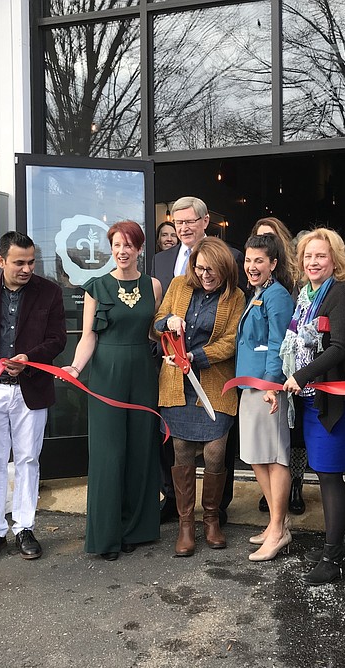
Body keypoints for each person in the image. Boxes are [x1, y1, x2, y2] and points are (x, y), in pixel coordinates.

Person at [0, 231, 66, 567]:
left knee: (29, 459)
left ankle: (25, 527)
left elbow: (58, 339)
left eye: (31, 261)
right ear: (1, 261)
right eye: (19, 262)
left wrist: (29, 359)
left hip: (31, 389)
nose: (27, 268)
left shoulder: (50, 292)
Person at [62, 221, 162, 561]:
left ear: (139, 248)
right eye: (116, 245)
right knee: (109, 454)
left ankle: (136, 529)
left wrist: (172, 333)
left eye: (128, 245)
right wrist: (76, 367)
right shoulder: (96, 287)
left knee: (139, 450)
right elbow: (88, 335)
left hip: (143, 374)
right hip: (106, 374)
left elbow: (153, 334)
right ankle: (106, 535)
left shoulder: (154, 286)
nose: (122, 251)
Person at [151, 196, 246, 525]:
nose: (183, 227)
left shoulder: (233, 289)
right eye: (178, 222)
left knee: (216, 452)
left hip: (214, 383)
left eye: (190, 221)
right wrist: (167, 323)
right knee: (179, 452)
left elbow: (234, 338)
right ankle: (184, 522)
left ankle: (213, 516)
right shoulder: (174, 279)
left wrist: (196, 356)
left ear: (206, 222)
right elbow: (157, 322)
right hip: (176, 383)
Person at [281, 228, 345, 586]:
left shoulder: (341, 293)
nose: (313, 262)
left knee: (330, 477)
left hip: (333, 401)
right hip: (311, 400)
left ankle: (333, 559)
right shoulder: (305, 296)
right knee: (324, 473)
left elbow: (340, 347)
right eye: (308, 256)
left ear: (335, 261)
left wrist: (301, 374)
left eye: (321, 256)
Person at [236, 231, 295, 561]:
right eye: (248, 260)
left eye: (259, 260)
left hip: (266, 388)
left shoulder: (277, 296)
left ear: (273, 264)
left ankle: (277, 530)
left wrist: (272, 385)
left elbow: (279, 344)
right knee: (258, 456)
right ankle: (278, 522)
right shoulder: (256, 292)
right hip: (250, 385)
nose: (252, 266)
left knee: (274, 458)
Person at [248, 217, 307, 515]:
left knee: (285, 443)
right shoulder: (257, 285)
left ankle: (292, 489)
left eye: (268, 240)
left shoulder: (291, 282)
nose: (263, 243)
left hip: (285, 372)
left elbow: (280, 339)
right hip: (264, 377)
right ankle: (275, 507)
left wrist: (273, 377)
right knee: (267, 450)